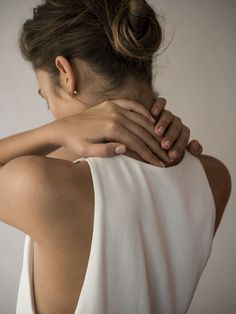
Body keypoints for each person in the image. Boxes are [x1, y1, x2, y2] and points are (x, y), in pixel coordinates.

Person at [0, 0, 231, 313]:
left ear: (65, 73)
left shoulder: (42, 184)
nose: (52, 114)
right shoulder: (214, 178)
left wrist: (51, 132)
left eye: (46, 98)